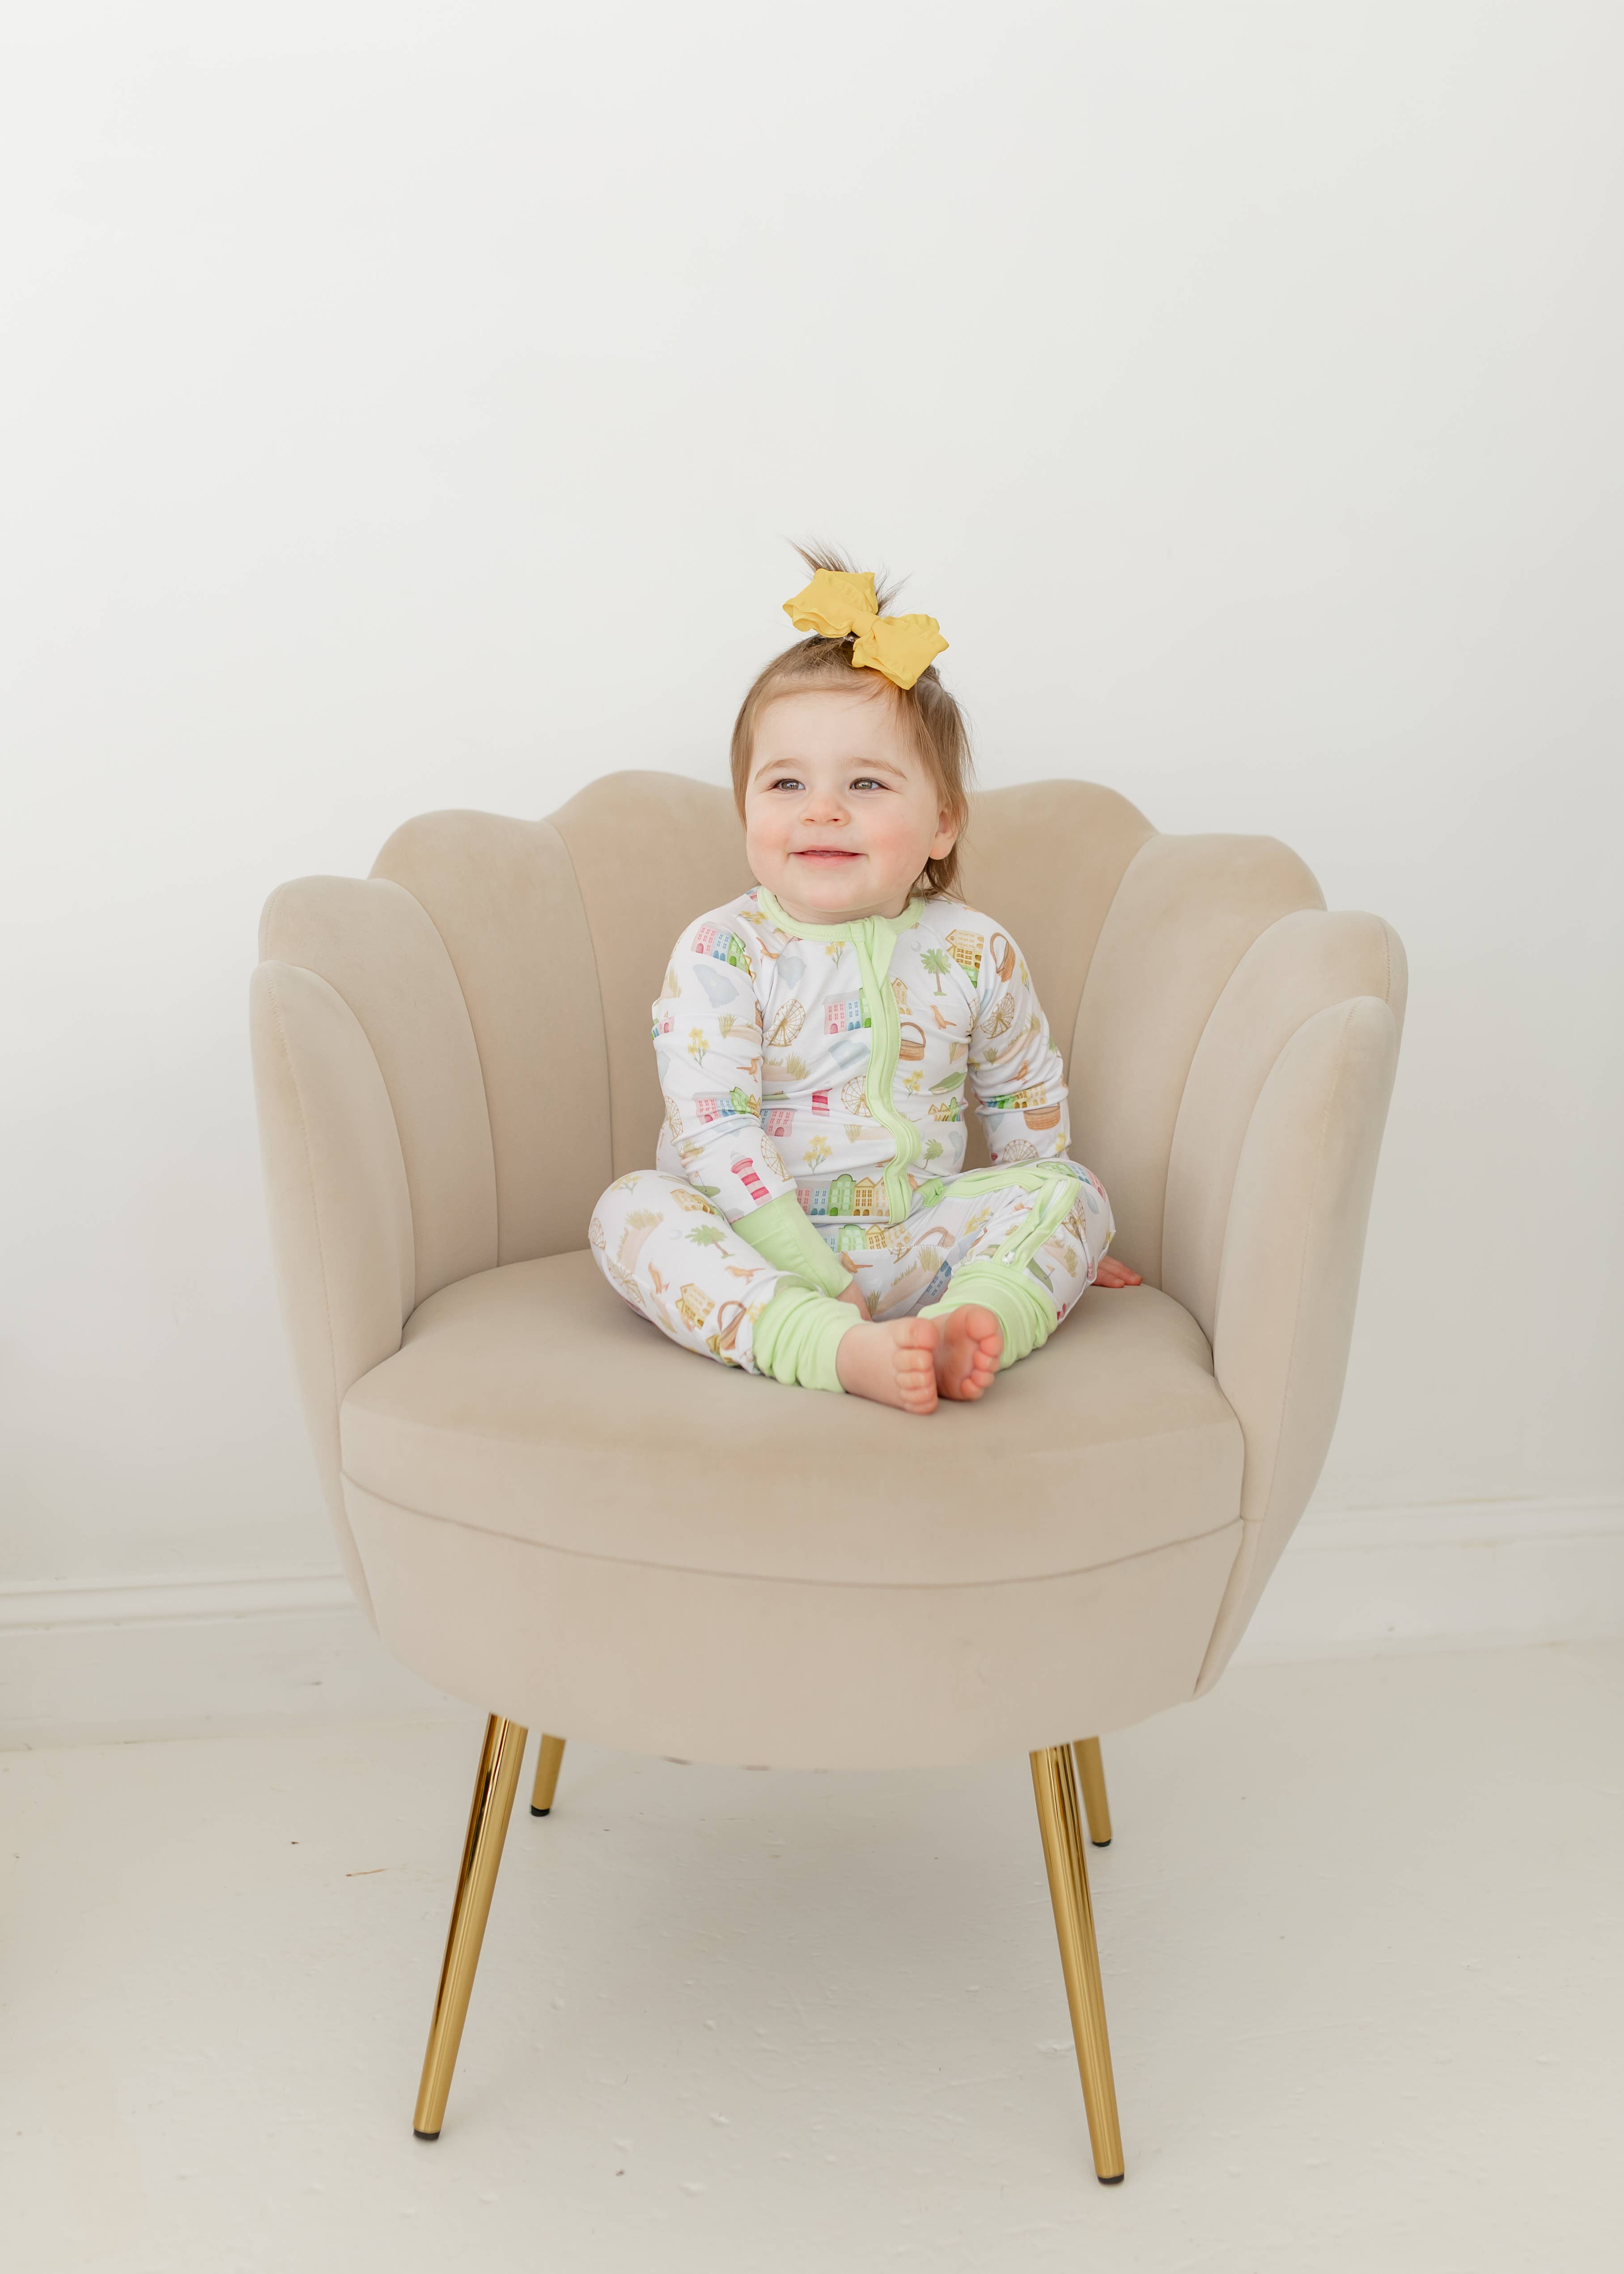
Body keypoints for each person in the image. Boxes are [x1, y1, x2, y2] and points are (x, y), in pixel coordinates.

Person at [589, 548, 1141, 1415]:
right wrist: (817, 1278)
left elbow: (1023, 1093)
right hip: (755, 1248)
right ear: (746, 810)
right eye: (786, 782)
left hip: (917, 1238)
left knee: (1075, 1192)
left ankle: (973, 1322)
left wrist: (1040, 1241)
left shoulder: (973, 948)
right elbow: (713, 1128)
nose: (823, 808)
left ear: (942, 823)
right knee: (630, 1211)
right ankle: (828, 1345)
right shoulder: (723, 951)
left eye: (866, 783)